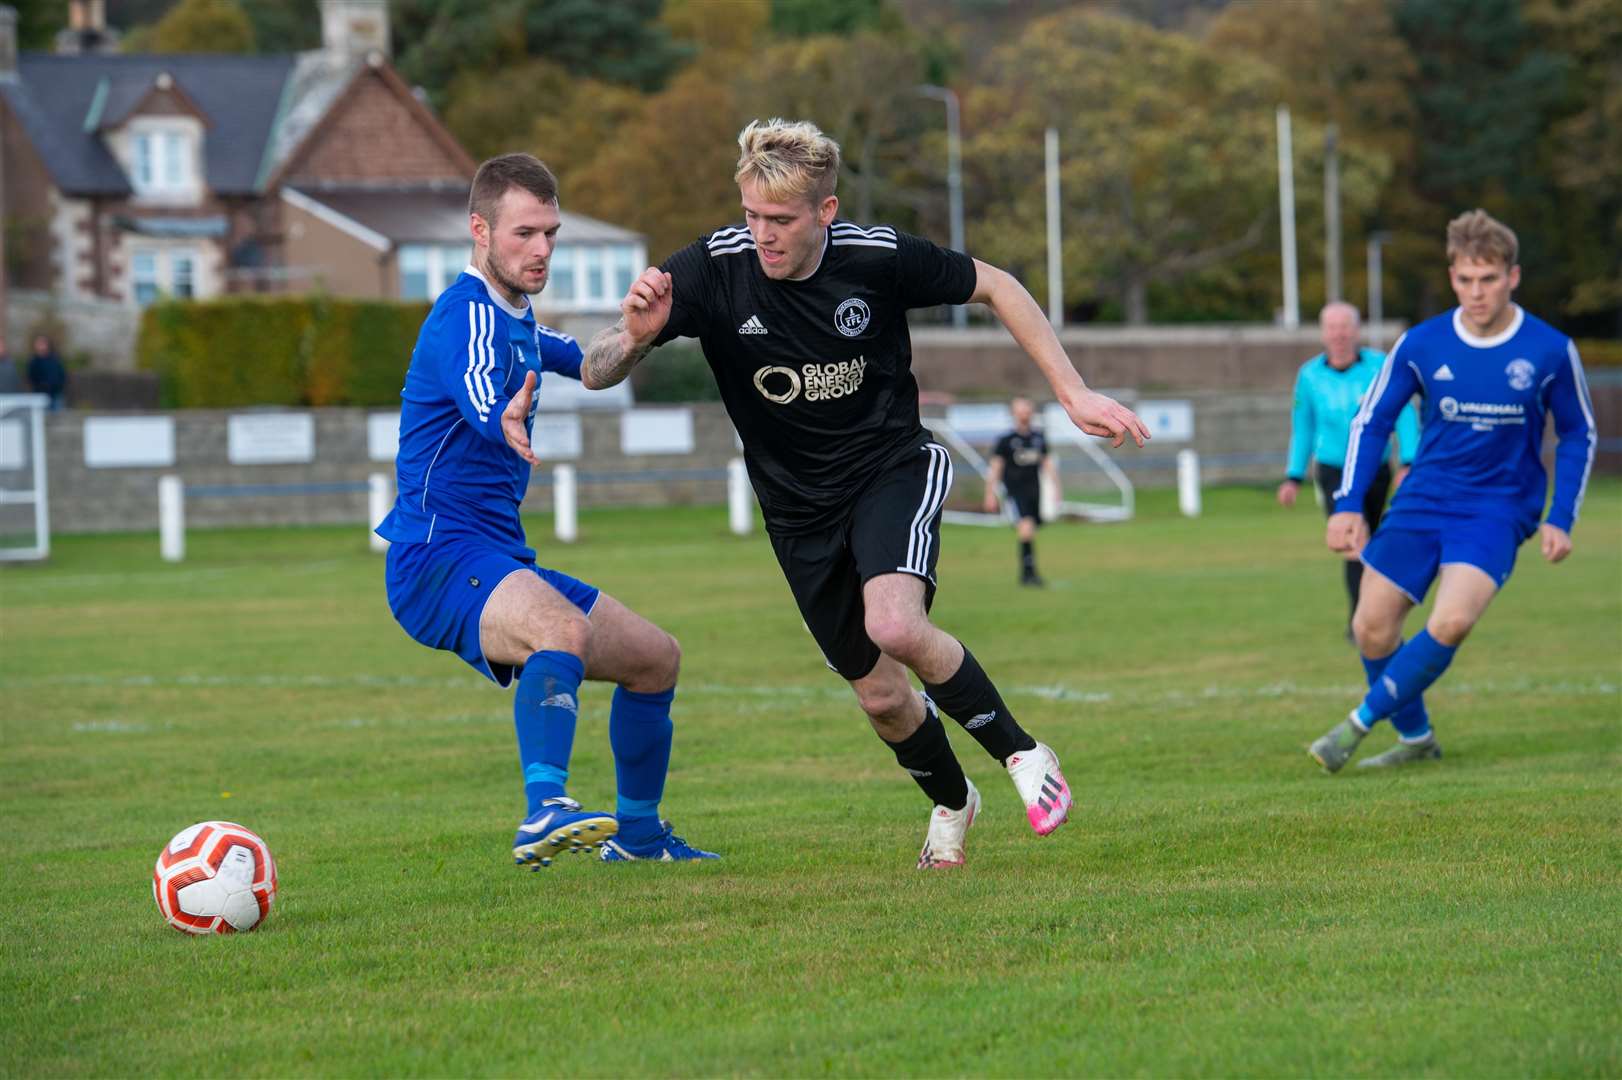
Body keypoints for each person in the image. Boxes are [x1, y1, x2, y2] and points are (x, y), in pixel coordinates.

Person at [579, 118, 1150, 868]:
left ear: (826, 211)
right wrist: (634, 337)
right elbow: (595, 372)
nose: (761, 236)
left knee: (896, 626)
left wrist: (1070, 392)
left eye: (780, 221)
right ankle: (952, 802)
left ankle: (1022, 754)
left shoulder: (876, 258)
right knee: (880, 696)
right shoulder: (712, 268)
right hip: (794, 510)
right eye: (751, 216)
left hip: (890, 468)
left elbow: (997, 285)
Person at [377, 153, 716, 867]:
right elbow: (477, 391)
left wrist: (636, 335)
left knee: (656, 659)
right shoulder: (462, 317)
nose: (542, 250)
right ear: (480, 230)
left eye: (551, 233)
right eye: (525, 233)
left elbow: (589, 368)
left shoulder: (521, 319)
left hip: (494, 554)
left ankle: (640, 839)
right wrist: (503, 415)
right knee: (560, 629)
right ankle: (544, 810)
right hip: (435, 557)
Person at [1310, 209, 1595, 772]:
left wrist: (1561, 515)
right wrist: (1347, 505)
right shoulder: (1422, 342)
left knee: (1451, 621)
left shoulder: (1549, 349)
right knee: (1370, 627)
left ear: (1513, 277)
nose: (1476, 292)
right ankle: (1415, 738)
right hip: (1423, 500)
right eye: (1465, 279)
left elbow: (1579, 431)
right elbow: (1372, 422)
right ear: (1452, 277)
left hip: (1496, 509)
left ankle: (1360, 721)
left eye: (1488, 279)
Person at [1277, 302, 1420, 634]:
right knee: (1351, 541)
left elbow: (1404, 414)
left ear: (1357, 331)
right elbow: (1304, 427)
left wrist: (1408, 462)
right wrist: (1293, 476)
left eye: (1345, 327)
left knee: (1371, 542)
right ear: (1324, 333)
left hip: (1375, 467)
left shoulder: (1380, 366)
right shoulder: (1310, 375)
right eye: (1332, 327)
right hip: (1332, 469)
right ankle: (1362, 620)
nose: (1339, 334)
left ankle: (1372, 616)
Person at [984, 396, 1059, 587]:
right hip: (1014, 491)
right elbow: (995, 468)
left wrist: (1056, 488)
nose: (1024, 412)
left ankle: (1028, 573)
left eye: (1026, 408)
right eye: (1019, 409)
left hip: (1035, 490)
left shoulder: (1038, 437)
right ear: (1013, 413)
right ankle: (1028, 574)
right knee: (1025, 527)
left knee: (1031, 529)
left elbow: (1047, 463)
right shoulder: (1006, 440)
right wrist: (990, 494)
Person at [27, 335, 67, 410]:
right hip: (39, 395)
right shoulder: (34, 362)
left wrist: (57, 386)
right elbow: (31, 377)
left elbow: (61, 375)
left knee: (57, 418)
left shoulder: (55, 359)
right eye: (39, 344)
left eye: (43, 344)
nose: (41, 346)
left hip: (55, 395)